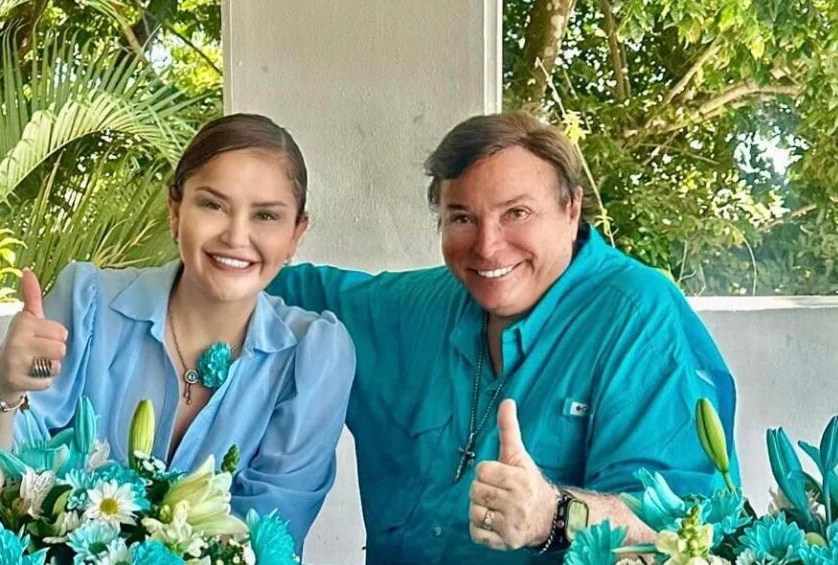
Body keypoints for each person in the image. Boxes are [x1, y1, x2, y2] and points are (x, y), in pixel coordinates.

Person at [267, 111, 740, 563]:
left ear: (571, 208)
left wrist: (554, 514)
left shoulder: (638, 316)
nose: (487, 246)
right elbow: (259, 280)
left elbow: (687, 527)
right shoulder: (420, 304)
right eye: (462, 218)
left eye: (516, 212)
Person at [0, 113, 356, 548]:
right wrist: (2, 382)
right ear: (175, 211)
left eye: (266, 215)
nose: (236, 236)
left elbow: (267, 540)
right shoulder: (87, 305)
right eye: (213, 205)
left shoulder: (314, 355)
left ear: (296, 234)